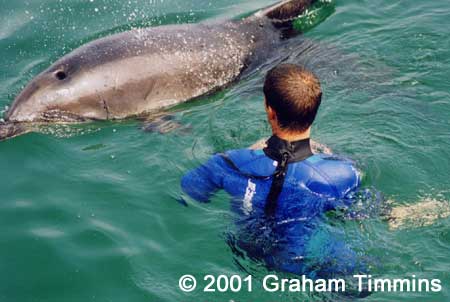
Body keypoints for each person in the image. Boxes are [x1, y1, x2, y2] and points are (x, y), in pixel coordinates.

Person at [181, 63, 371, 279]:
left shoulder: (227, 163)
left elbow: (189, 195)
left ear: (270, 111)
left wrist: (251, 155)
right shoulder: (342, 174)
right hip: (307, 262)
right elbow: (362, 213)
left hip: (244, 255)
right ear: (314, 111)